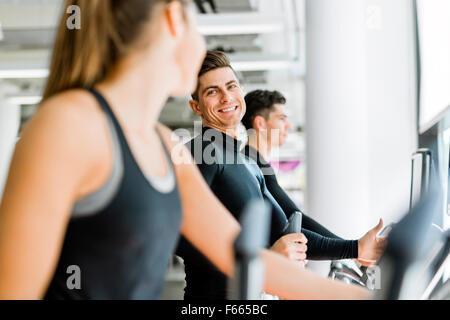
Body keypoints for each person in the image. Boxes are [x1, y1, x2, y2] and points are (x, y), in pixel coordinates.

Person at [0, 0, 370, 300]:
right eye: (197, 25)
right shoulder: (67, 126)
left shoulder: (163, 144)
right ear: (174, 18)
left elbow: (242, 256)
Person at [176, 50, 386, 300]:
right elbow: (177, 235)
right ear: (196, 106)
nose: (226, 97)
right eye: (212, 91)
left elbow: (287, 231)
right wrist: (261, 260)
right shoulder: (201, 151)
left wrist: (355, 247)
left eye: (231, 87)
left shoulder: (247, 163)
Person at [241, 89, 386, 267]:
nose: (288, 126)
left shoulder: (255, 162)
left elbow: (295, 218)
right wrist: (353, 249)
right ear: (260, 124)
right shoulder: (253, 164)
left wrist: (353, 249)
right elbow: (293, 218)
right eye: (281, 118)